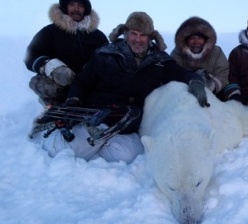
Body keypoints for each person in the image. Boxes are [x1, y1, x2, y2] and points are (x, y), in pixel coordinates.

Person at [35, 11, 208, 164]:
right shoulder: (105, 54)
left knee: (125, 156)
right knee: (60, 150)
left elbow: (182, 73)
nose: (138, 39)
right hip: (98, 118)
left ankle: (93, 148)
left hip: (129, 125)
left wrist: (196, 81)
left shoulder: (160, 61)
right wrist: (73, 100)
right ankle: (68, 139)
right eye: (134, 33)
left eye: (143, 35)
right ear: (125, 33)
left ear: (150, 38)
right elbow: (82, 81)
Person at [24, 0, 108, 107]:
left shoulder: (98, 36)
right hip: (63, 84)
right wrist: (53, 67)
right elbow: (30, 56)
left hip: (90, 83)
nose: (76, 9)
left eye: (80, 5)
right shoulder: (49, 32)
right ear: (64, 7)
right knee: (43, 84)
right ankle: (53, 107)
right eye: (72, 4)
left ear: (86, 9)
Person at [170, 16, 229, 99]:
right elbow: (172, 74)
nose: (196, 42)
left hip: (215, 96)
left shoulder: (216, 52)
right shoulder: (177, 53)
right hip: (185, 95)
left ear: (206, 40)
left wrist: (211, 86)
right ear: (186, 40)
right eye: (192, 38)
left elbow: (223, 74)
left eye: (200, 38)